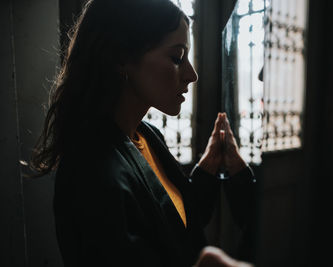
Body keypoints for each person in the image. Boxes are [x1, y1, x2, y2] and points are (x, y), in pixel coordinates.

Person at [30, 0, 256, 266]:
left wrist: (208, 167)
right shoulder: (93, 172)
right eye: (176, 57)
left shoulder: (146, 135)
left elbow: (174, 226)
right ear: (122, 58)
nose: (192, 75)